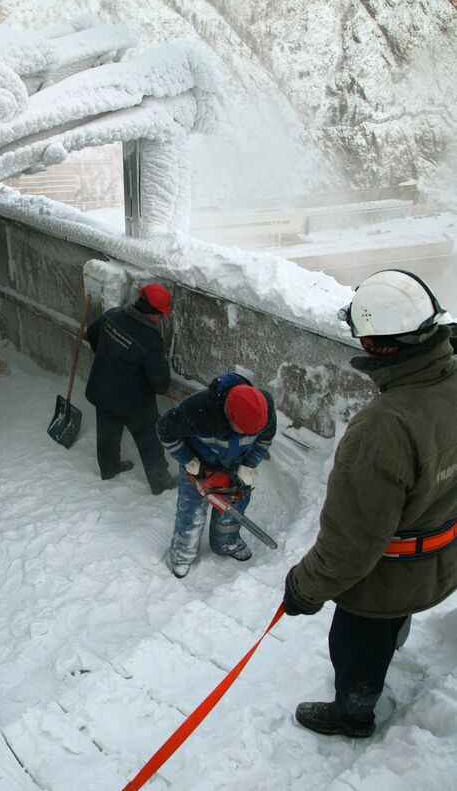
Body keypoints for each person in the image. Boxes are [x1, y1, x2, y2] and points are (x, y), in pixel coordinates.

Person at [282, 269, 457, 739]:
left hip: (383, 580)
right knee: (390, 628)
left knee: (357, 646)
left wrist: (304, 587)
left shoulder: (384, 429)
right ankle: (388, 647)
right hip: (441, 556)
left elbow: (352, 544)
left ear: (379, 347)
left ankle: (353, 715)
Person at [157, 372, 276, 578]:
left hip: (237, 464)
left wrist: (248, 466)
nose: (250, 435)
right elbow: (165, 432)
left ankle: (226, 543)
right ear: (230, 416)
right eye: (245, 431)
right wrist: (192, 464)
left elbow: (264, 441)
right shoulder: (196, 411)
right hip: (199, 463)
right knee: (191, 510)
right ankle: (182, 554)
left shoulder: (264, 408)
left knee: (234, 505)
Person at [85, 283, 176, 495]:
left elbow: (92, 333)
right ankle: (160, 482)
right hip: (134, 403)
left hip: (103, 390)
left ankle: (109, 468)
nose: (161, 319)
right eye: (160, 314)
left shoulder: (113, 315)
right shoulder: (151, 340)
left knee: (107, 433)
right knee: (149, 441)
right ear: (151, 312)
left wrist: (108, 356)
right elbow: (160, 384)